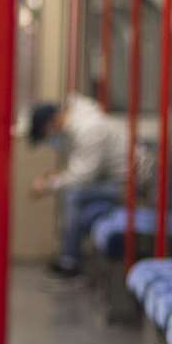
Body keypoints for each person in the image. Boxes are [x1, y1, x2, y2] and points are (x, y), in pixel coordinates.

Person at [29, 94, 152, 276]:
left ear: (52, 123)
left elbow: (82, 177)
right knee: (84, 215)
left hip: (132, 185)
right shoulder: (78, 125)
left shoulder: (88, 129)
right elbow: (83, 168)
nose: (51, 139)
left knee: (74, 195)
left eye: (47, 134)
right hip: (113, 181)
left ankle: (70, 260)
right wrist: (57, 177)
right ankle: (71, 259)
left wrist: (48, 185)